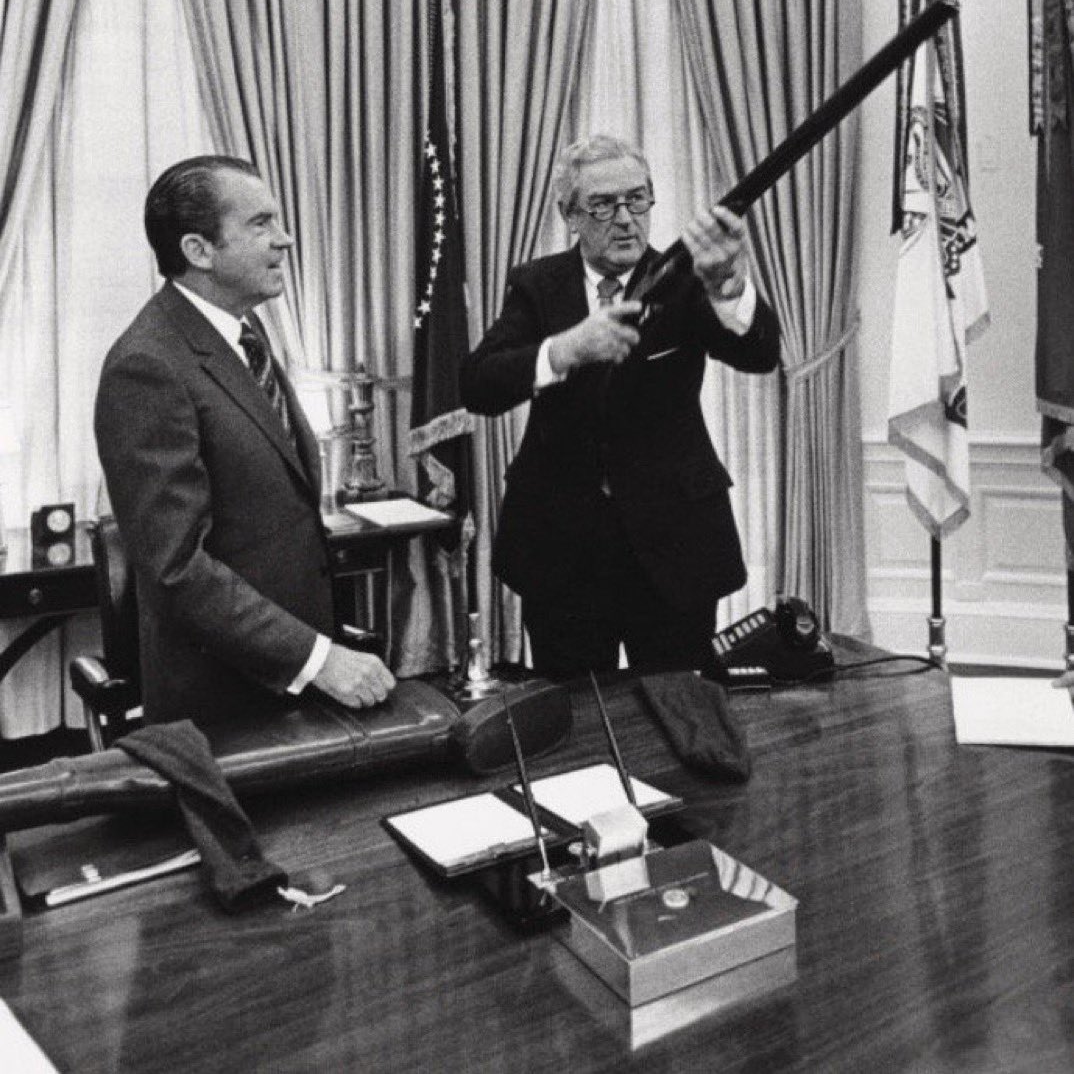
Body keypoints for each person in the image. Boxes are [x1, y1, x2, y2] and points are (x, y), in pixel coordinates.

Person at [460, 134, 781, 679]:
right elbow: (478, 385)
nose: (626, 219)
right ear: (569, 214)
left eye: (638, 199)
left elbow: (759, 354)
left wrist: (729, 285)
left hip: (673, 547)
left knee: (682, 714)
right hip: (563, 553)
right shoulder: (538, 285)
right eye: (604, 205)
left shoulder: (686, 280)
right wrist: (563, 351)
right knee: (578, 724)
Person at [95, 155, 395, 725]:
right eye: (261, 224)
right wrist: (318, 659)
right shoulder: (145, 365)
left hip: (291, 689)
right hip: (223, 706)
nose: (284, 240)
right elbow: (176, 568)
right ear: (199, 251)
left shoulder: (242, 333)